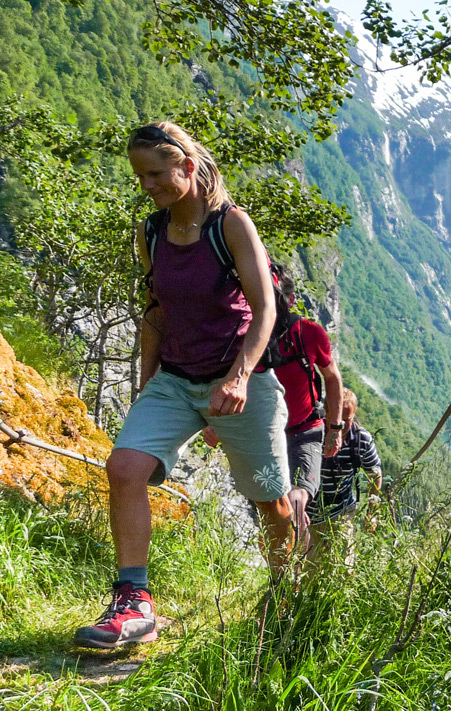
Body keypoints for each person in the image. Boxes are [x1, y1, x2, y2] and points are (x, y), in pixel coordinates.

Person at [73, 122, 293, 649]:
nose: (146, 185)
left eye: (155, 173)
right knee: (124, 467)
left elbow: (265, 310)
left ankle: (290, 599)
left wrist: (239, 377)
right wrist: (146, 384)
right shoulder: (151, 231)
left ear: (186, 168)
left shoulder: (231, 225)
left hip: (240, 381)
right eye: (139, 177)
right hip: (174, 380)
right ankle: (134, 603)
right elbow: (156, 310)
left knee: (272, 504)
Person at [204, 267, 344, 547]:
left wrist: (335, 427)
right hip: (264, 434)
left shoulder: (309, 333)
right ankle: (283, 576)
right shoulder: (243, 337)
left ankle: (294, 577)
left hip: (305, 431)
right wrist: (216, 422)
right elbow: (229, 380)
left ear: (289, 301)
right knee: (270, 511)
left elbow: (333, 378)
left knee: (297, 498)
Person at [306, 388, 382, 567]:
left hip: (341, 511)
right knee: (309, 570)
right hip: (308, 513)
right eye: (336, 418)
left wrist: (371, 513)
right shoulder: (312, 433)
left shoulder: (361, 439)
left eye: (347, 420)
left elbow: (375, 474)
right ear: (327, 413)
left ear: (354, 416)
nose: (340, 425)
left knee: (344, 568)